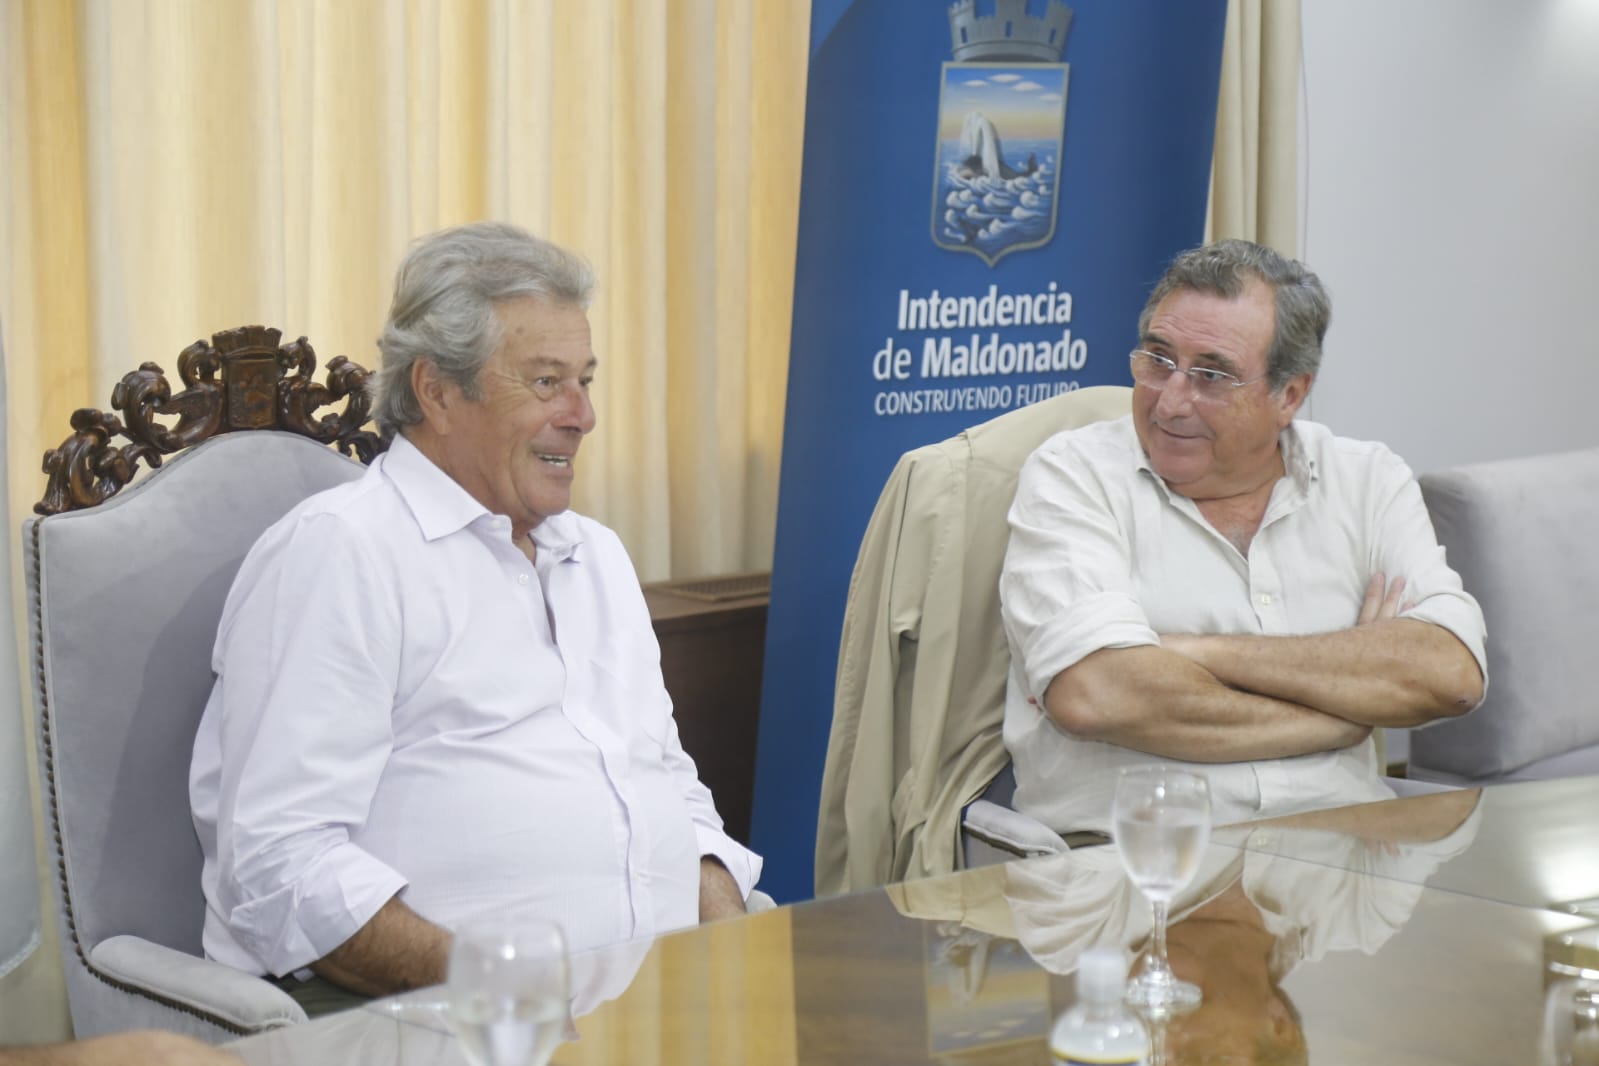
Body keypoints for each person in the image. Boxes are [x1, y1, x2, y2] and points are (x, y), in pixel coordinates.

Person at [189, 221, 761, 1011]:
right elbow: (279, 863)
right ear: (437, 391)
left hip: (659, 1008)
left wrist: (732, 952)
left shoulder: (596, 556)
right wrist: (508, 989)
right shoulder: (341, 554)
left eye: (585, 380)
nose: (582, 415)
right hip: (445, 1017)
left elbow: (664, 782)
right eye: (546, 383)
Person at [999, 239, 1487, 835]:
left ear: (1289, 395)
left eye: (1212, 375)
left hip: (1337, 864)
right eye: (1158, 360)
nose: (1170, 402)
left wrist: (1193, 651)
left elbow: (1450, 675)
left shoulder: (1367, 480)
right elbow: (1096, 694)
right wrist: (1337, 714)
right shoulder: (1074, 475)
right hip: (1138, 864)